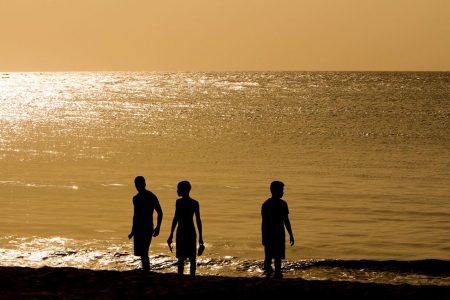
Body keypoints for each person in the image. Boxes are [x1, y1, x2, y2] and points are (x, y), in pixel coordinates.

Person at [167, 181, 204, 276]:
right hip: (189, 231)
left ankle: (182, 276)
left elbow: (176, 218)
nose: (177, 191)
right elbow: (198, 221)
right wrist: (200, 237)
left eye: (179, 189)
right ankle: (191, 276)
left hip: (183, 231)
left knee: (183, 258)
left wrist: (201, 238)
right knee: (190, 258)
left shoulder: (180, 202)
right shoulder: (193, 203)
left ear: (184, 190)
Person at [128, 176, 163, 271]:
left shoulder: (151, 196)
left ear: (144, 184)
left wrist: (158, 227)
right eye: (137, 184)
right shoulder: (136, 198)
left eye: (139, 184)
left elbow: (160, 212)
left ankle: (146, 270)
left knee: (144, 251)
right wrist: (133, 231)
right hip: (139, 228)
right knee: (141, 252)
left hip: (147, 227)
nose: (138, 186)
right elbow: (135, 216)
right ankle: (145, 269)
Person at [261, 181, 294, 279]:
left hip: (270, 234)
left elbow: (264, 223)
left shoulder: (266, 204)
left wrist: (264, 237)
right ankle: (276, 274)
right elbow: (286, 221)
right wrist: (291, 235)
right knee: (277, 257)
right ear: (275, 191)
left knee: (269, 256)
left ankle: (268, 275)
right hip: (278, 234)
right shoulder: (282, 204)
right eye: (281, 190)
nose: (283, 192)